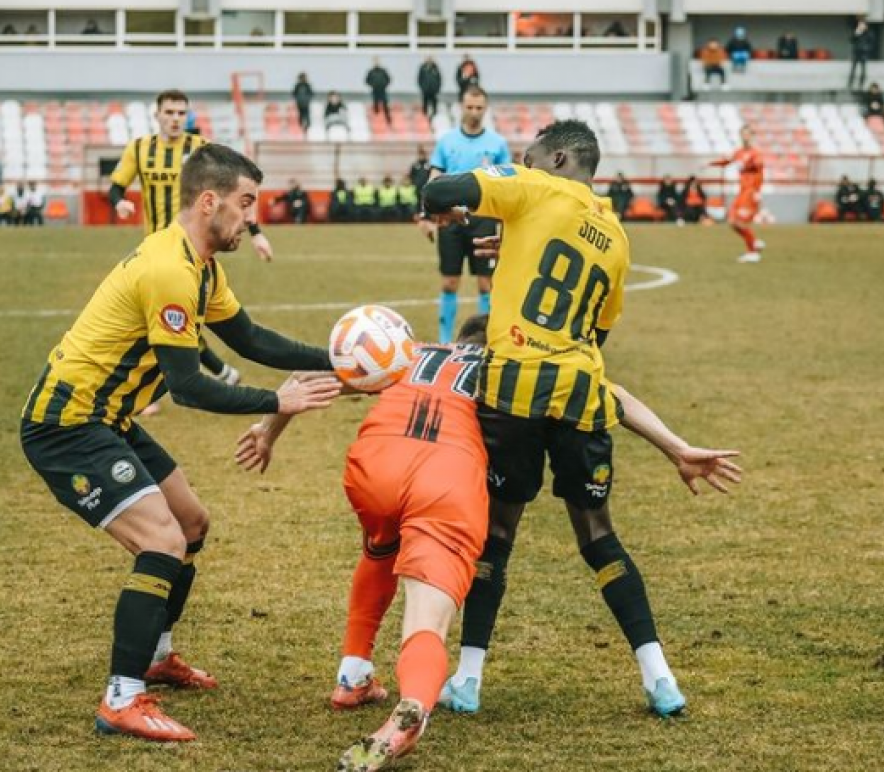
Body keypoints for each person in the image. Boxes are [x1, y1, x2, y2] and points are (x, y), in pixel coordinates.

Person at [19, 143, 342, 743]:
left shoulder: (202, 266)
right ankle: (121, 697)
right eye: (246, 203)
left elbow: (248, 338)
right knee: (162, 539)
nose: (251, 216)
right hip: (66, 424)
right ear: (209, 200)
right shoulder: (169, 268)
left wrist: (339, 358)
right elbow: (190, 387)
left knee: (191, 522)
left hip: (106, 417)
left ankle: (155, 657)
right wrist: (278, 401)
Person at [422, 120, 742, 719]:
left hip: (514, 389)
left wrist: (452, 208)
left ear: (559, 157)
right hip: (579, 391)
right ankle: (660, 678)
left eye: (529, 156)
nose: (522, 163)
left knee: (496, 537)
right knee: (598, 535)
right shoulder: (617, 236)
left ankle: (466, 680)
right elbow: (597, 332)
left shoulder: (533, 186)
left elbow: (440, 194)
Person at [236, 316, 492, 772]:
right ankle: (412, 706)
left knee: (380, 546)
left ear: (456, 340)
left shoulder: (412, 352)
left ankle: (352, 675)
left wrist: (266, 432)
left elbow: (304, 377)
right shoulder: (507, 369)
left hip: (376, 465)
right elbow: (609, 398)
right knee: (426, 622)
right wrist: (668, 444)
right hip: (446, 478)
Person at [108, 89, 274, 398]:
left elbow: (238, 195)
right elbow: (116, 186)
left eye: (180, 113)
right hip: (156, 251)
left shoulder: (201, 151)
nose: (174, 119)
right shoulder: (140, 149)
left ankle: (212, 373)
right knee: (167, 319)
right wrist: (119, 203)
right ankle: (215, 373)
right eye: (169, 112)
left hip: (195, 249)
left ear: (188, 116)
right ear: (157, 115)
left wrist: (256, 233)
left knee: (182, 319)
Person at [419, 85, 510, 343]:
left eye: (479, 107)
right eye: (470, 107)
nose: (474, 112)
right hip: (451, 220)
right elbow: (434, 177)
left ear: (486, 108)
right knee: (449, 282)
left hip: (484, 219)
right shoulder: (447, 141)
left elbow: (507, 184)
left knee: (486, 284)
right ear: (462, 106)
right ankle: (446, 341)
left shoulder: (497, 144)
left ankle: (485, 340)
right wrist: (427, 214)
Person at [709, 124, 766, 263]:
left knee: (740, 222)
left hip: (751, 192)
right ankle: (754, 241)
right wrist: (711, 163)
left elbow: (759, 164)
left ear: (752, 136)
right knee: (732, 221)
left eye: (748, 134)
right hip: (742, 191)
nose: (745, 137)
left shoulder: (756, 153)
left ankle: (752, 252)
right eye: (743, 134)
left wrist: (749, 163)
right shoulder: (739, 152)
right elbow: (727, 161)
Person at [365, 58, 392, 125]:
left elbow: (388, 79)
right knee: (375, 104)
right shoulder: (371, 71)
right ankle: (376, 119)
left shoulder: (383, 71)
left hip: (382, 90)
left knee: (385, 104)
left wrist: (384, 85)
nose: (376, 63)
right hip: (375, 90)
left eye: (377, 61)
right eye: (375, 61)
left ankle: (388, 119)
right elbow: (367, 80)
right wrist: (373, 85)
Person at [849, 19, 872, 92]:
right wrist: (856, 34)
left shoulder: (868, 34)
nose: (861, 26)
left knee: (863, 70)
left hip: (863, 53)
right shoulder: (857, 32)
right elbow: (851, 40)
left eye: (862, 25)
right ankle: (850, 83)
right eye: (859, 25)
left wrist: (866, 48)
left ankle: (861, 84)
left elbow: (871, 43)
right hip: (856, 52)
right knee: (853, 69)